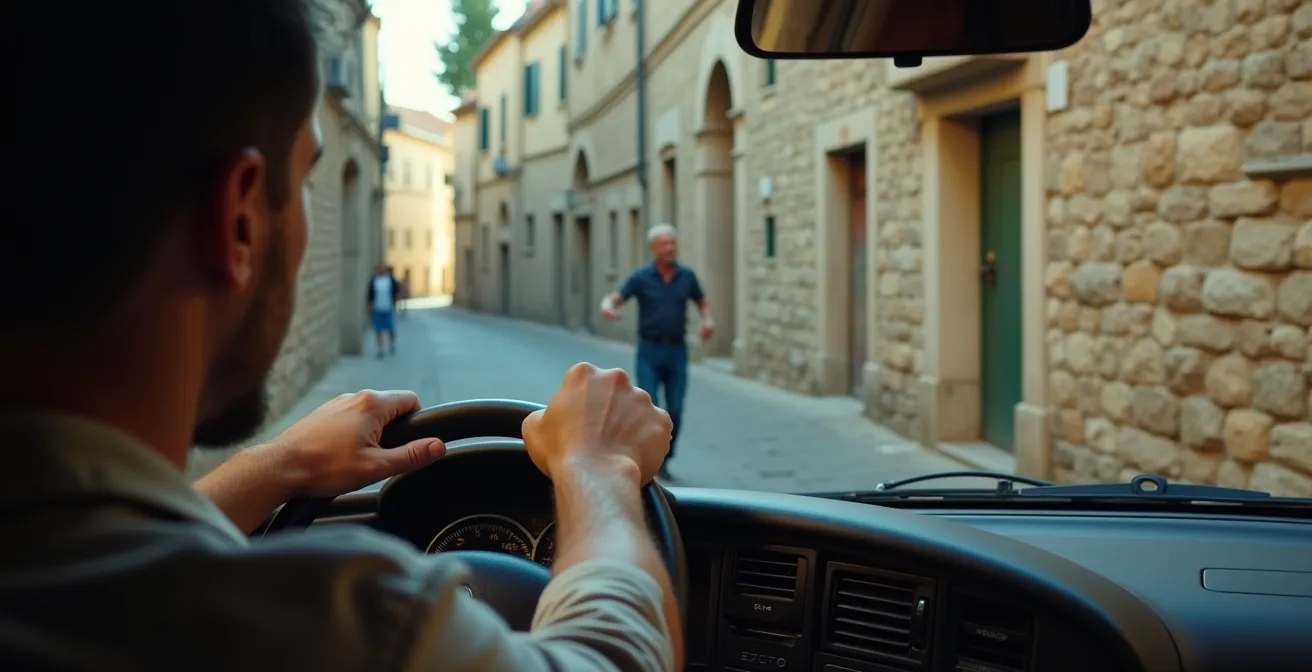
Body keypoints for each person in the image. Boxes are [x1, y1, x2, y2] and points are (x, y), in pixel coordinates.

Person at [0, 1, 683, 670]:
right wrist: (600, 471)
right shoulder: (348, 627)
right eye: (304, 179)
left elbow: (107, 544)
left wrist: (279, 465)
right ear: (239, 219)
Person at [600, 224, 715, 479]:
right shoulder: (641, 277)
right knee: (650, 406)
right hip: (649, 350)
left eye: (672, 243)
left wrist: (707, 320)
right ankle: (648, 456)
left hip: (676, 350)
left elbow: (702, 302)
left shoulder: (686, 276)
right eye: (664, 244)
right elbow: (617, 297)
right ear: (653, 249)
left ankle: (665, 457)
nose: (670, 248)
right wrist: (607, 305)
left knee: (675, 409)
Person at [367, 263, 401, 357]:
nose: (382, 270)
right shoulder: (374, 280)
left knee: (391, 328)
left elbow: (396, 292)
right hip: (377, 308)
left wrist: (396, 304)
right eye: (380, 269)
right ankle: (380, 349)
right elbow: (370, 295)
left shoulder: (390, 280)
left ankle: (391, 344)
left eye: (383, 269)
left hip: (388, 308)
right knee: (378, 330)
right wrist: (370, 307)